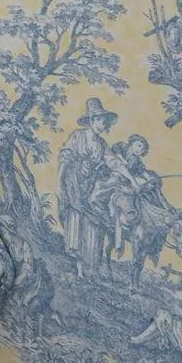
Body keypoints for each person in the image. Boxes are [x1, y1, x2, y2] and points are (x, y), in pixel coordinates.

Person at [58, 99, 116, 269]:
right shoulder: (78, 136)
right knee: (75, 223)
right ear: (91, 120)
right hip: (73, 185)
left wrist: (130, 178)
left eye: (103, 120)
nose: (101, 123)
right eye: (98, 119)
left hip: (90, 187)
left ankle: (90, 269)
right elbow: (65, 158)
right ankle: (77, 266)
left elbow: (114, 161)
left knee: (93, 224)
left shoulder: (102, 144)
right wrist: (59, 182)